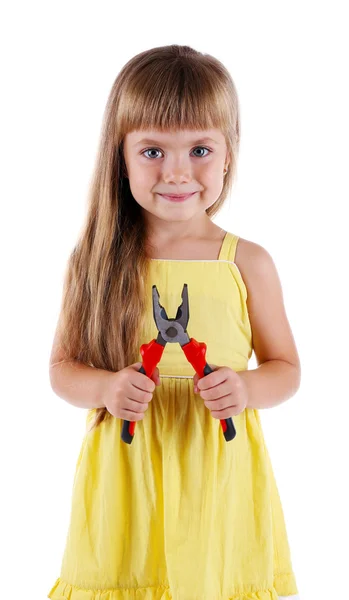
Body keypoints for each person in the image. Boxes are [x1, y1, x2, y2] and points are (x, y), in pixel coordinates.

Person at [47, 44, 301, 600]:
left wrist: (245, 387)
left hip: (219, 481)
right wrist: (108, 388)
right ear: (121, 157)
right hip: (124, 480)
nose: (178, 172)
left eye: (201, 149)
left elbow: (286, 369)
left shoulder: (246, 262)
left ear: (229, 153)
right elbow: (63, 370)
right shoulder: (95, 260)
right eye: (153, 151)